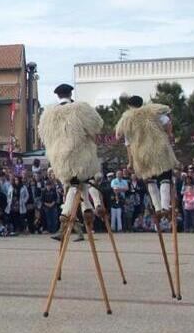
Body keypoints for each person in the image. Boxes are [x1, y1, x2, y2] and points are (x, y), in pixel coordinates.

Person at [37, 84, 106, 242]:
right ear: (70, 94)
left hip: (59, 158)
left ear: (57, 96)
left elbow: (43, 135)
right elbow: (97, 125)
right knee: (79, 182)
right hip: (79, 153)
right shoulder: (79, 108)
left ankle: (85, 208)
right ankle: (71, 212)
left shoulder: (48, 114)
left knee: (75, 183)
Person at [116, 95, 180, 226]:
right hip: (158, 148)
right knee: (164, 177)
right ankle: (164, 207)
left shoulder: (127, 120)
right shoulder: (151, 112)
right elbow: (167, 121)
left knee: (149, 179)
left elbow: (126, 142)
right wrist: (169, 134)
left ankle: (157, 208)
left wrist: (131, 162)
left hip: (141, 153)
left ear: (129, 106)